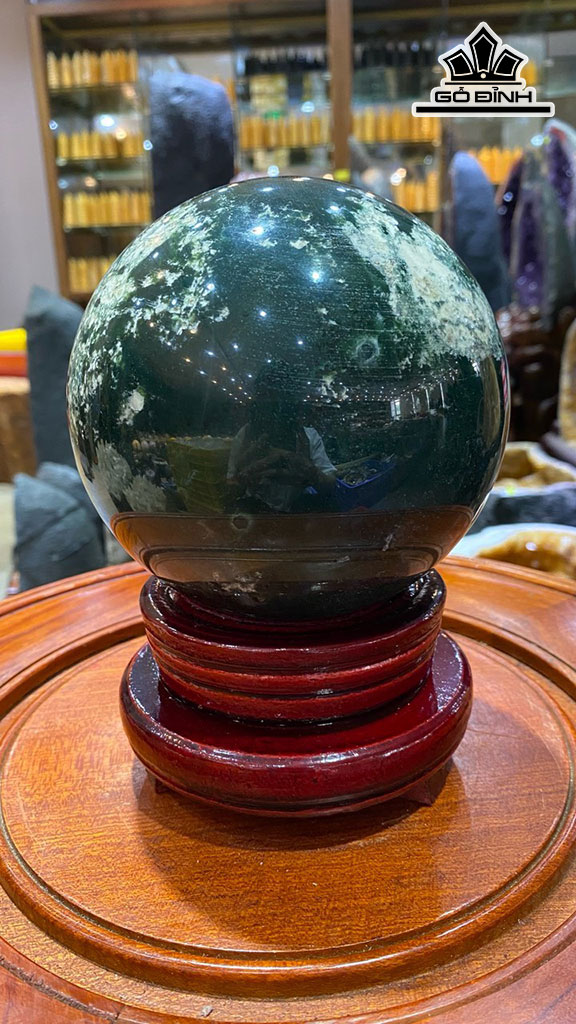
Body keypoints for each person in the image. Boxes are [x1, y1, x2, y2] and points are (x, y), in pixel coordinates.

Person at [227, 362, 336, 513]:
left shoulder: (309, 436)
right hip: (255, 512)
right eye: (267, 395)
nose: (276, 404)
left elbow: (330, 484)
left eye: (282, 396)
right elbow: (231, 486)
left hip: (296, 512)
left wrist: (307, 469)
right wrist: (246, 471)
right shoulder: (246, 433)